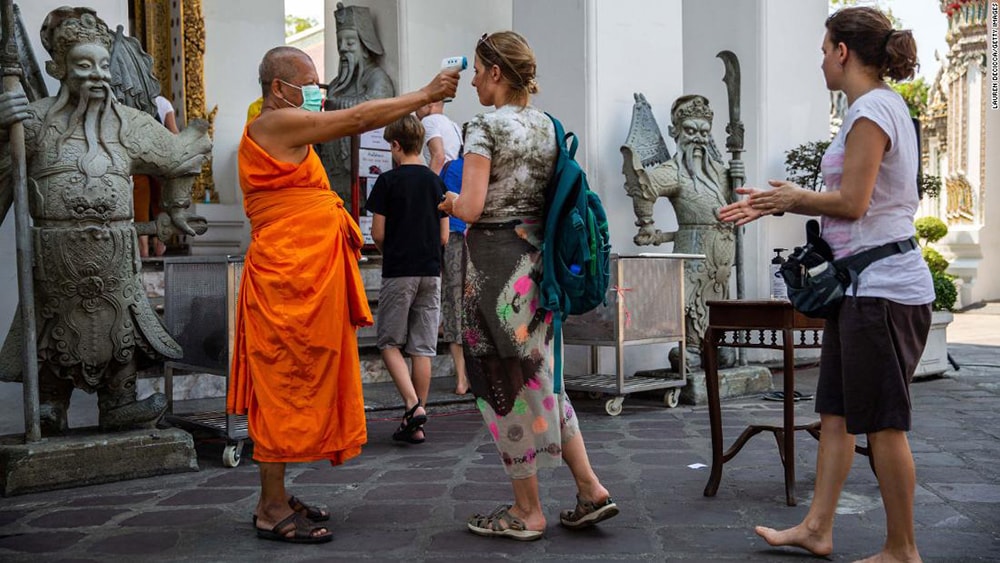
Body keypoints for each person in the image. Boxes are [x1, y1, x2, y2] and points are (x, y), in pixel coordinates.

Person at [718, 7, 932, 562]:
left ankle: (902, 549)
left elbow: (854, 203)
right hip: (862, 291)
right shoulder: (876, 109)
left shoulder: (872, 112)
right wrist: (785, 200)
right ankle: (817, 527)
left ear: (842, 52)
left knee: (882, 424)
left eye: (823, 50)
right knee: (835, 416)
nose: (819, 61)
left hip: (881, 290)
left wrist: (792, 198)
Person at [227, 45, 456, 544]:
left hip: (303, 276)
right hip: (285, 278)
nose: (318, 91)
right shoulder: (272, 125)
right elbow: (355, 119)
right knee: (280, 385)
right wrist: (427, 94)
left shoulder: (287, 129)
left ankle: (278, 496)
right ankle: (269, 507)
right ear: (279, 89)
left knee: (297, 378)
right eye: (309, 82)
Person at [439, 31, 618, 541]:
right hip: (536, 264)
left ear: (497, 72)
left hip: (493, 265)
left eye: (477, 69)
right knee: (540, 375)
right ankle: (589, 489)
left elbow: (472, 208)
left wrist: (449, 202)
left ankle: (527, 510)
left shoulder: (483, 126)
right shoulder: (547, 124)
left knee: (504, 382)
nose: (472, 78)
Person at [0, 6, 211, 434]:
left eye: (102, 65)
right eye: (83, 65)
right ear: (57, 67)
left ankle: (120, 402)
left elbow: (183, 153)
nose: (98, 75)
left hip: (115, 257)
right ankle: (50, 405)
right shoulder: (34, 124)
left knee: (120, 330)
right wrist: (3, 132)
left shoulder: (129, 125)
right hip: (55, 259)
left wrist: (174, 208)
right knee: (51, 328)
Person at [621, 94, 741, 371]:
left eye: (704, 132)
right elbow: (644, 186)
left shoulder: (720, 172)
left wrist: (738, 178)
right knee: (691, 301)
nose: (698, 138)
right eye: (690, 131)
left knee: (718, 298)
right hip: (693, 250)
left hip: (722, 254)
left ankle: (716, 343)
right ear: (675, 132)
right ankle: (692, 347)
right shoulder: (674, 172)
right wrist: (647, 222)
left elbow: (735, 208)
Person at [366, 114, 449, 444]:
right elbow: (444, 237)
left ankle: (414, 408)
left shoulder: (387, 182)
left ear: (397, 146)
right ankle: (418, 422)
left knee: (388, 343)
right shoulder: (435, 183)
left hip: (400, 270)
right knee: (422, 348)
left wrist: (391, 250)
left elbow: (377, 233)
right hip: (431, 271)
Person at [317, 2, 395, 204]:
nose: (343, 49)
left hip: (363, 169)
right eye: (340, 43)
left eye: (350, 43)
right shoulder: (336, 84)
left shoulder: (377, 77)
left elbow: (374, 106)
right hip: (335, 172)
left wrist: (335, 104)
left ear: (364, 45)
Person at [416, 101, 469, 394]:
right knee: (462, 300)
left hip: (454, 235)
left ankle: (462, 377)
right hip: (475, 238)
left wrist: (424, 194)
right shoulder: (470, 164)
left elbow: (435, 156)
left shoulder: (431, 125)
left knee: (453, 299)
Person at [415, 100, 462, 174]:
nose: (415, 111)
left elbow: (438, 156)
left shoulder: (428, 121)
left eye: (418, 105)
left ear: (429, 104)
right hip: (455, 176)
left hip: (442, 177)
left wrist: (432, 183)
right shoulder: (453, 125)